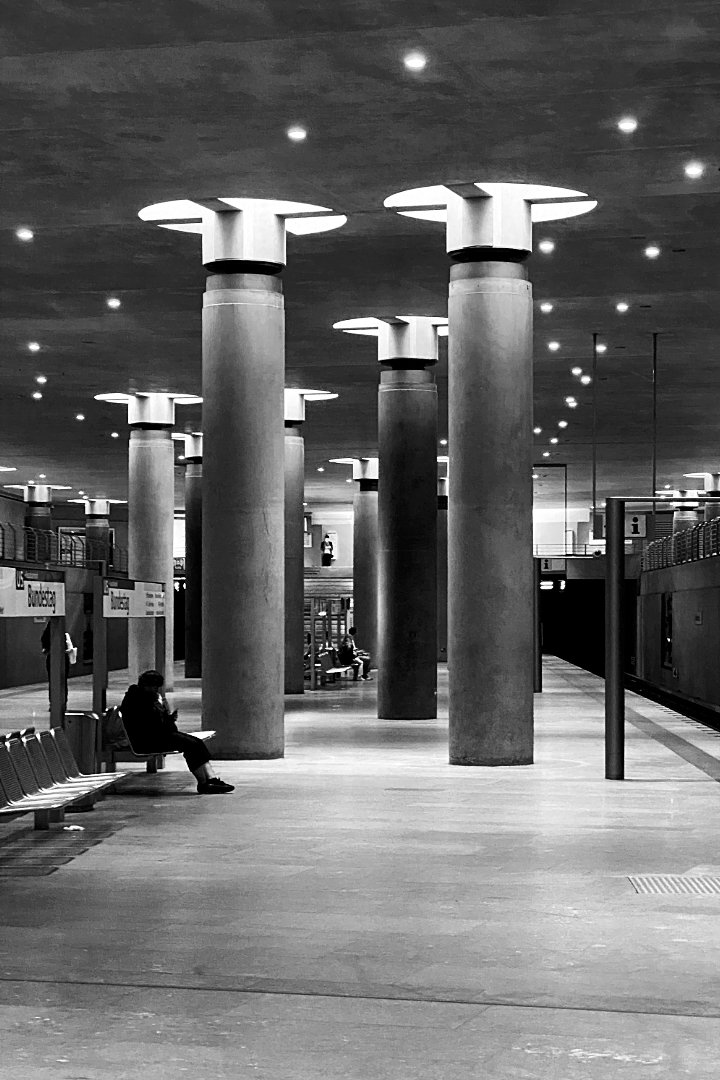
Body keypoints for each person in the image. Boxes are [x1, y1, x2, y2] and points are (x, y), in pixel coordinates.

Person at [120, 670, 234, 794]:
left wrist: (164, 714)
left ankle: (211, 779)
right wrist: (166, 715)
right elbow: (153, 724)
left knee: (196, 742)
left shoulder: (140, 697)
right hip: (148, 740)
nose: (156, 690)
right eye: (154, 687)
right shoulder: (140, 700)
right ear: (148, 686)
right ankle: (204, 783)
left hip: (156, 735)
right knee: (192, 745)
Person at [41, 620, 75, 708]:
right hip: (63, 659)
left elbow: (44, 649)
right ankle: (63, 702)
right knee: (63, 681)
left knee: (52, 681)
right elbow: (69, 648)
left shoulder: (46, 636)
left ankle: (53, 703)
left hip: (51, 659)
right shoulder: (64, 635)